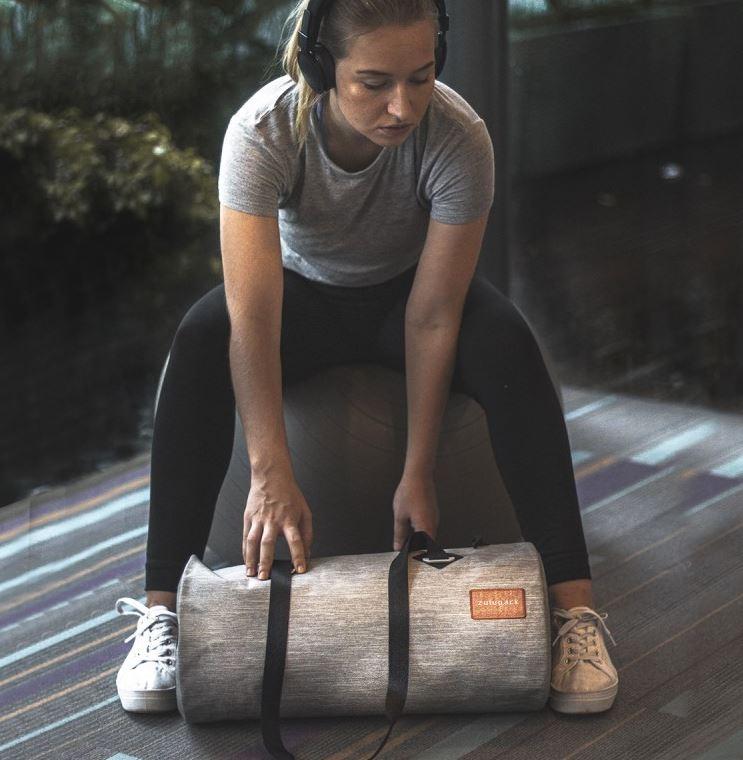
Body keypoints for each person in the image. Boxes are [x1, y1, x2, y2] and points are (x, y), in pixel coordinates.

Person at [114, 0, 618, 719]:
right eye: (374, 83)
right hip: (301, 300)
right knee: (201, 334)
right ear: (321, 68)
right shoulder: (261, 132)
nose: (401, 106)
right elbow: (253, 317)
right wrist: (269, 471)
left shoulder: (458, 136)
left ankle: (574, 613)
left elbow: (433, 314)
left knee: (509, 341)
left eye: (420, 77)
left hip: (407, 294)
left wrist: (418, 472)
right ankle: (162, 612)